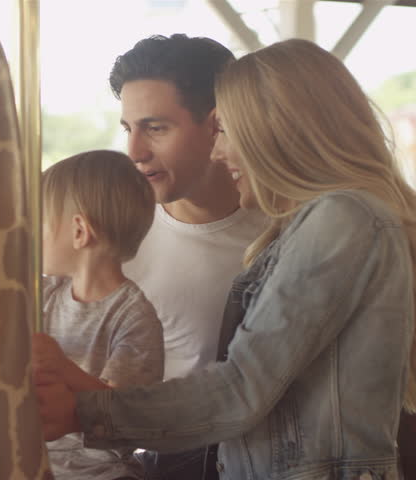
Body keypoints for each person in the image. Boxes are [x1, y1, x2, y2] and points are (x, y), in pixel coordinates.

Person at [35, 39, 416, 480]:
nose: (220, 151)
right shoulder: (301, 230)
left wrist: (81, 410)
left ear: (273, 130)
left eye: (227, 130)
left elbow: (241, 389)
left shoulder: (342, 219)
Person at [111, 34, 267, 479]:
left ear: (218, 124)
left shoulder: (285, 233)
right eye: (129, 129)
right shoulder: (113, 234)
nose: (135, 152)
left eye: (156, 128)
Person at [35, 149, 165, 480]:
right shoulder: (48, 293)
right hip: (45, 460)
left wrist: (60, 366)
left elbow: (123, 413)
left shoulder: (133, 316)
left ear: (79, 232)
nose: (33, 235)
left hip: (101, 470)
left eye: (42, 223)